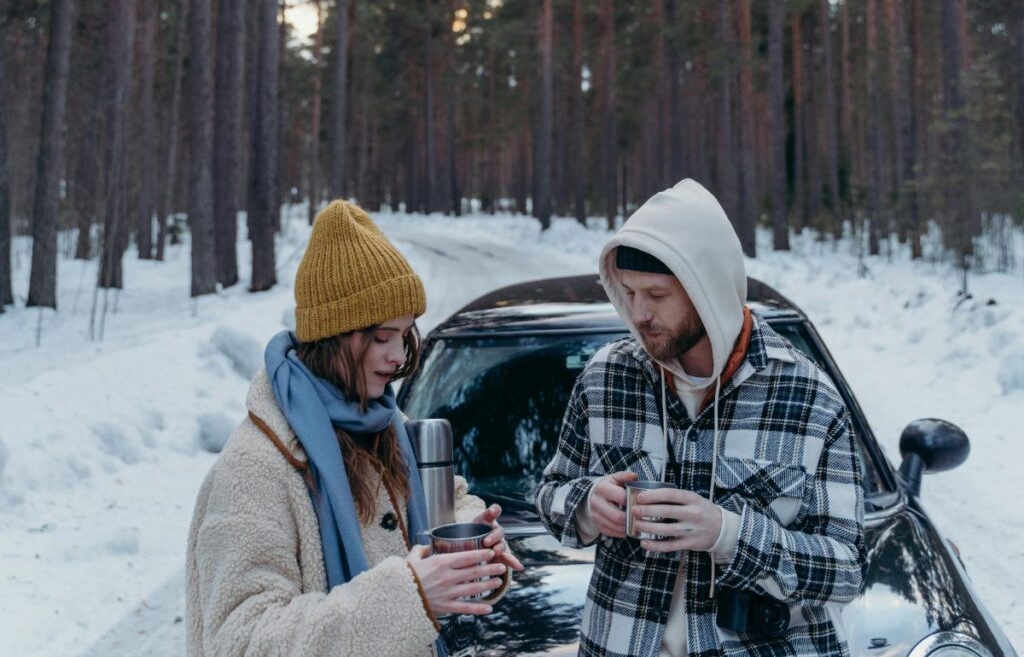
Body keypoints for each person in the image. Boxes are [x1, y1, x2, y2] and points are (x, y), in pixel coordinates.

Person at [535, 180, 864, 656]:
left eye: (657, 294)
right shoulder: (605, 377)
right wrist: (586, 506)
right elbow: (551, 492)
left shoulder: (810, 396)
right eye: (628, 292)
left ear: (706, 289)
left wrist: (728, 533)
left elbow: (846, 570)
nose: (639, 312)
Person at [186, 199, 522, 657]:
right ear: (330, 337)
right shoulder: (255, 468)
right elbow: (241, 641)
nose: (398, 356)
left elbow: (452, 503)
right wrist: (409, 598)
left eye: (404, 335)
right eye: (381, 338)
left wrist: (474, 549)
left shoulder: (387, 423)